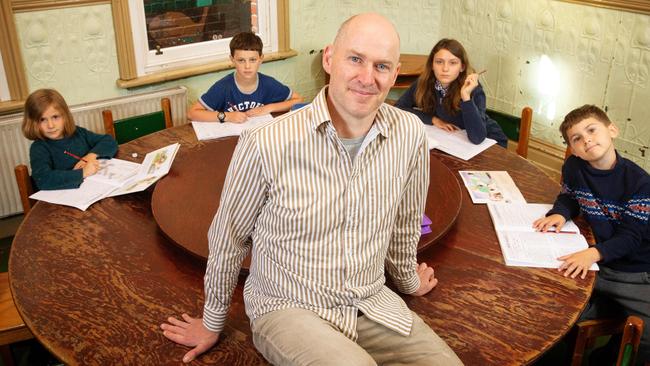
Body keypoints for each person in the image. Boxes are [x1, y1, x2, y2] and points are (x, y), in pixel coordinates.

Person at [161, 13, 462, 366]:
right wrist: (213, 323)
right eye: (355, 59)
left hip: (370, 301)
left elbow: (406, 222)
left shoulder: (409, 133)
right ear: (329, 58)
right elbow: (229, 238)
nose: (367, 78)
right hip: (288, 308)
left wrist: (408, 280)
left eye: (381, 66)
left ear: (394, 75)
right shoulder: (266, 142)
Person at [533, 105, 650, 365]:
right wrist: (560, 213)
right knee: (556, 311)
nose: (586, 139)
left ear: (612, 130)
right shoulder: (574, 166)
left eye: (591, 130)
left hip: (634, 272)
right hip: (595, 262)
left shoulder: (640, 183)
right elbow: (569, 196)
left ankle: (604, 358)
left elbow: (631, 237)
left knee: (646, 337)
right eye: (576, 138)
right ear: (572, 148)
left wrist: (593, 253)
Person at [394, 39, 507, 147]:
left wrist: (466, 98)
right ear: (432, 65)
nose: (445, 69)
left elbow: (477, 138)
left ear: (462, 67)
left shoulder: (474, 89)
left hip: (490, 141)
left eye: (453, 63)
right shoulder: (423, 83)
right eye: (439, 62)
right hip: (454, 141)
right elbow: (399, 108)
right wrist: (433, 119)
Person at [187, 31, 303, 123]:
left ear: (261, 59)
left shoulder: (267, 83)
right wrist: (227, 116)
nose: (247, 66)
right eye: (241, 60)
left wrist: (268, 108)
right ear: (232, 60)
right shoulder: (224, 87)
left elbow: (298, 100)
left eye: (252, 60)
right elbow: (192, 113)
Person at [21, 88, 117, 190]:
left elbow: (109, 141)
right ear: (33, 123)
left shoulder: (78, 133)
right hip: (65, 200)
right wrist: (82, 173)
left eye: (55, 117)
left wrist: (91, 156)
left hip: (94, 189)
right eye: (42, 120)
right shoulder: (39, 148)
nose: (50, 125)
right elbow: (43, 179)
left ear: (65, 116)